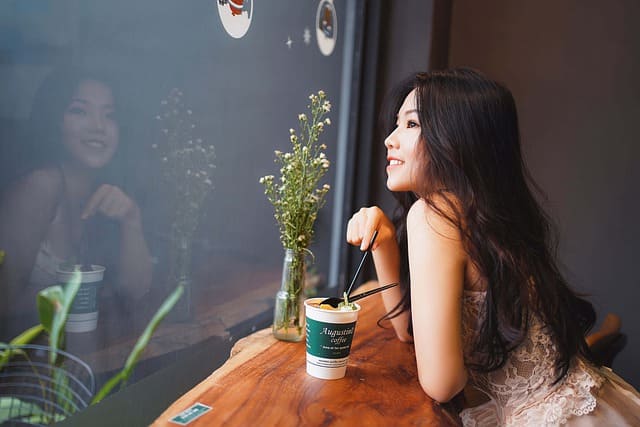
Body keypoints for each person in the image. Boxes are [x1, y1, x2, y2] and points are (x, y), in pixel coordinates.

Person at [346, 68, 640, 425]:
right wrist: (385, 244)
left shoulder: (433, 215)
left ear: (459, 140)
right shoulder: (486, 215)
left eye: (411, 125)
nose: (389, 139)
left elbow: (442, 384)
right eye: (396, 125)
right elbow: (411, 332)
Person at [0, 66, 152, 333]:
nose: (99, 127)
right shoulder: (40, 186)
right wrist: (80, 296)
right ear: (54, 120)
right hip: (28, 361)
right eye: (79, 111)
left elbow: (136, 290)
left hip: (82, 354)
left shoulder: (109, 192)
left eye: (110, 115)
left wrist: (132, 220)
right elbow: (4, 302)